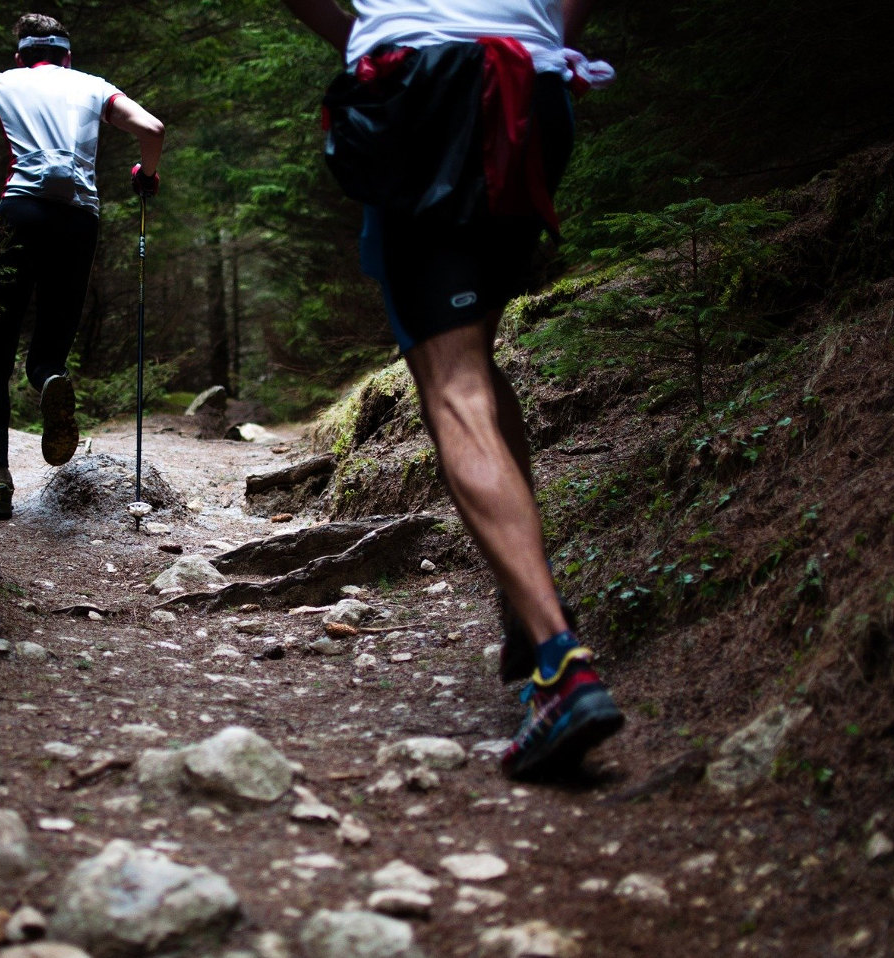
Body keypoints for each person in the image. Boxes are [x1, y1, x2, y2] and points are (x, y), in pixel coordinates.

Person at [281, 0, 622, 778]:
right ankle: (526, 607)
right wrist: (553, 45)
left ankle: (560, 664)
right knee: (476, 353)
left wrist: (363, 35)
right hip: (532, 86)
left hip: (417, 87)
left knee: (453, 383)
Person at [0, 13, 164, 520]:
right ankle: (49, 381)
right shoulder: (94, 87)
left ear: (20, 56)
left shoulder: (1, 85)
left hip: (20, 213)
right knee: (48, 355)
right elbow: (152, 128)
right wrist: (146, 175)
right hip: (79, 220)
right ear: (67, 56)